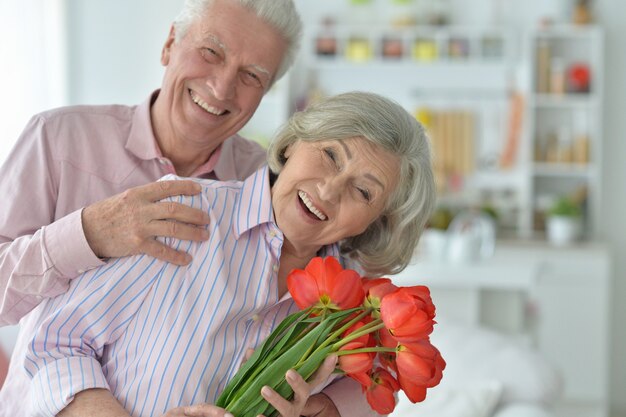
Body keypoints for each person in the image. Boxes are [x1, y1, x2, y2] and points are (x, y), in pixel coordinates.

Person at [0, 0, 376, 415]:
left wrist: (328, 403)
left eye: (252, 76)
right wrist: (88, 234)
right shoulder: (59, 139)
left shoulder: (268, 183)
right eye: (211, 52)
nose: (221, 87)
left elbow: (357, 306)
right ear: (168, 45)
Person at [0, 91, 436, 417]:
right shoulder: (187, 213)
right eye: (328, 156)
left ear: (375, 221)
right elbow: (55, 345)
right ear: (291, 146)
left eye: (362, 191)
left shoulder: (351, 313)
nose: (328, 189)